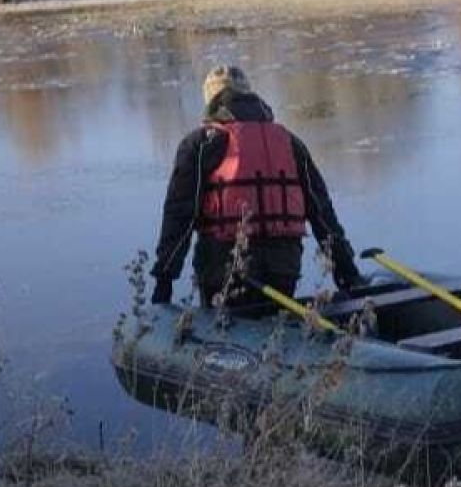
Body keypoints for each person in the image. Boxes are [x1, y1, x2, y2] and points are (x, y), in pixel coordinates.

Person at [150, 65, 363, 307]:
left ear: (210, 99)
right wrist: (347, 273)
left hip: (225, 269)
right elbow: (322, 214)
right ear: (249, 94)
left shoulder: (200, 143)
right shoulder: (290, 142)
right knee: (274, 320)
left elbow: (180, 215)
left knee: (225, 327)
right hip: (284, 269)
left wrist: (164, 279)